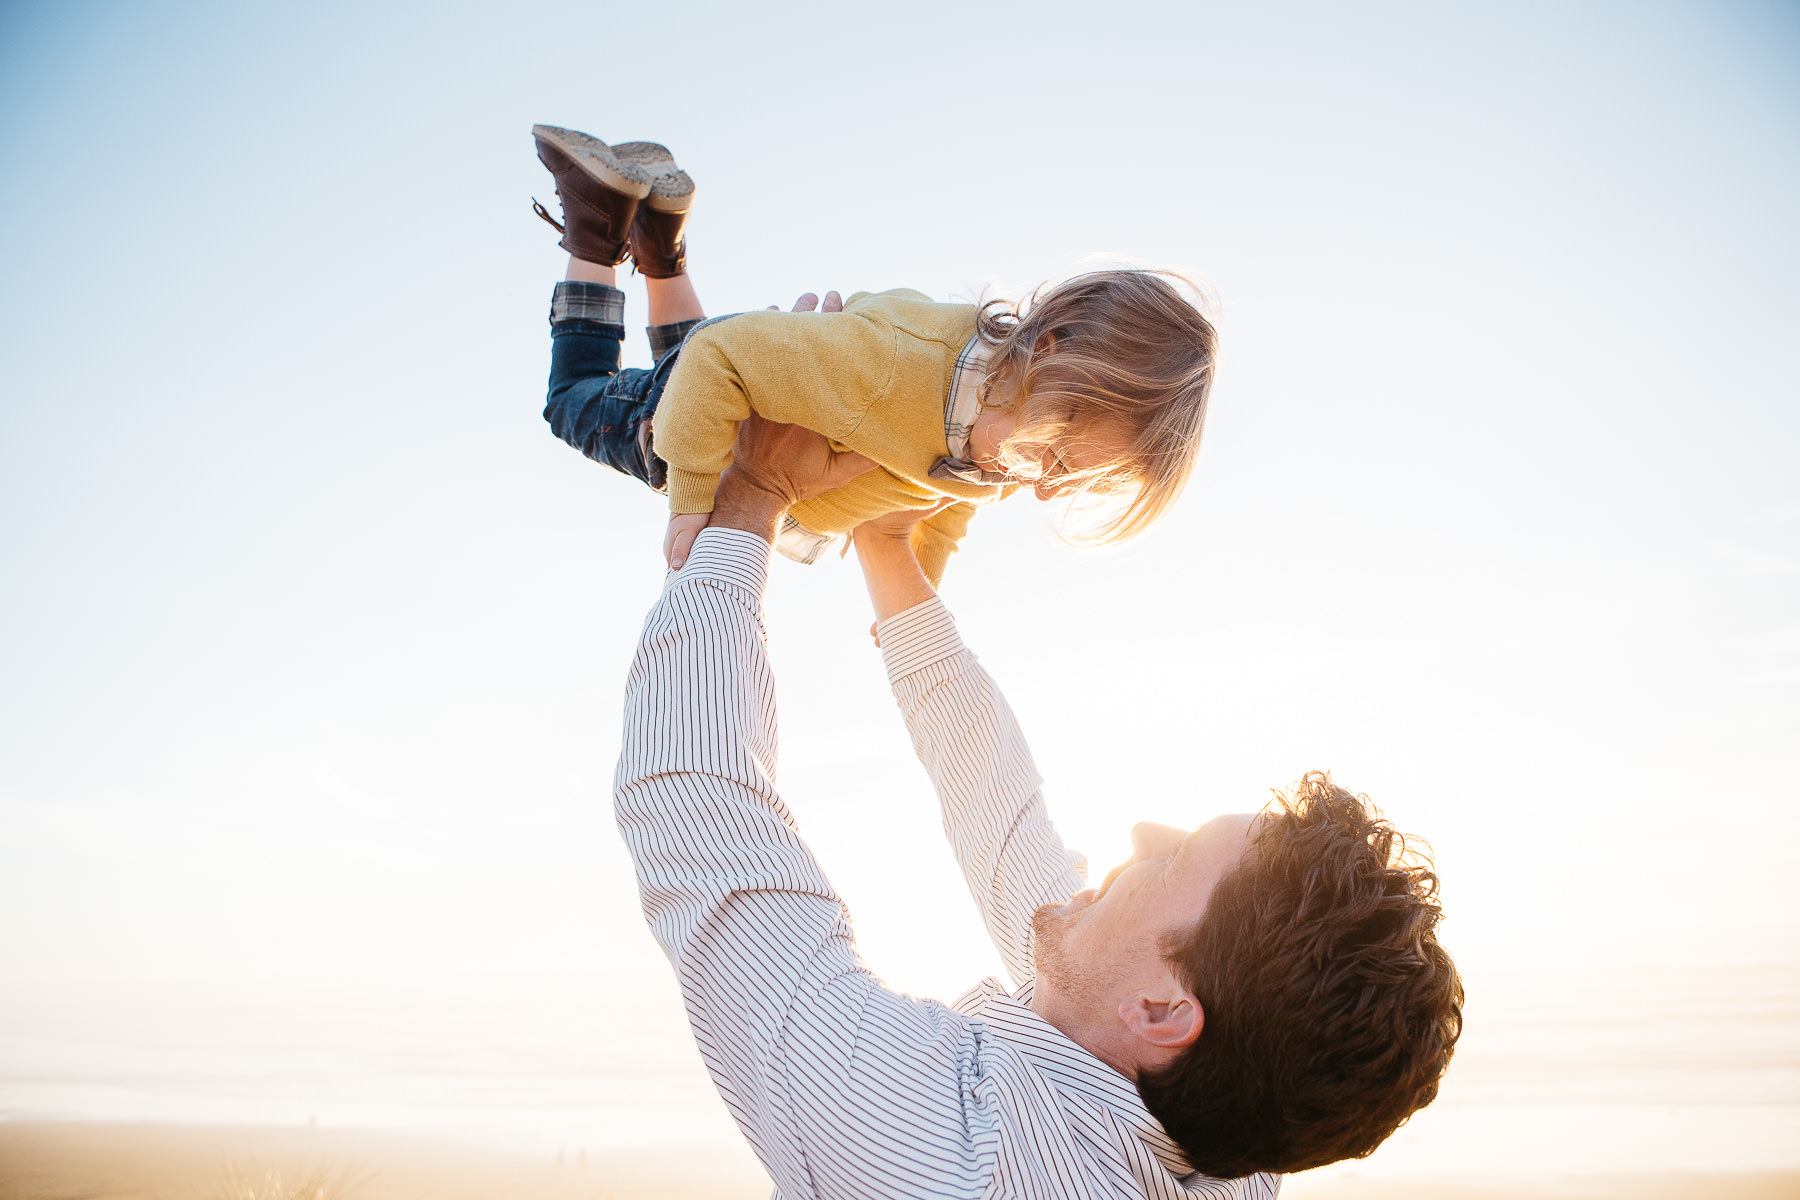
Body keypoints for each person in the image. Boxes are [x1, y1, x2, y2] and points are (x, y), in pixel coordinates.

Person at [614, 391, 1465, 1197]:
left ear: (1165, 1012)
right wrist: (887, 552)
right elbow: (1004, 820)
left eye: (1172, 863)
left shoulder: (947, 1159)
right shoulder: (1227, 1136)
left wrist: (754, 496)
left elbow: (695, 801)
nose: (1143, 832)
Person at [530, 123, 1217, 583]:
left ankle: (658, 233)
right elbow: (722, 359)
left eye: (1069, 481)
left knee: (688, 362)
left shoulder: (1002, 434)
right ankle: (595, 229)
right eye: (1059, 459)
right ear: (1047, 352)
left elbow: (952, 502)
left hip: (757, 388)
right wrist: (692, 501)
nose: (1041, 484)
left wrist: (925, 580)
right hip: (708, 410)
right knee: (576, 399)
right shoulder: (892, 371)